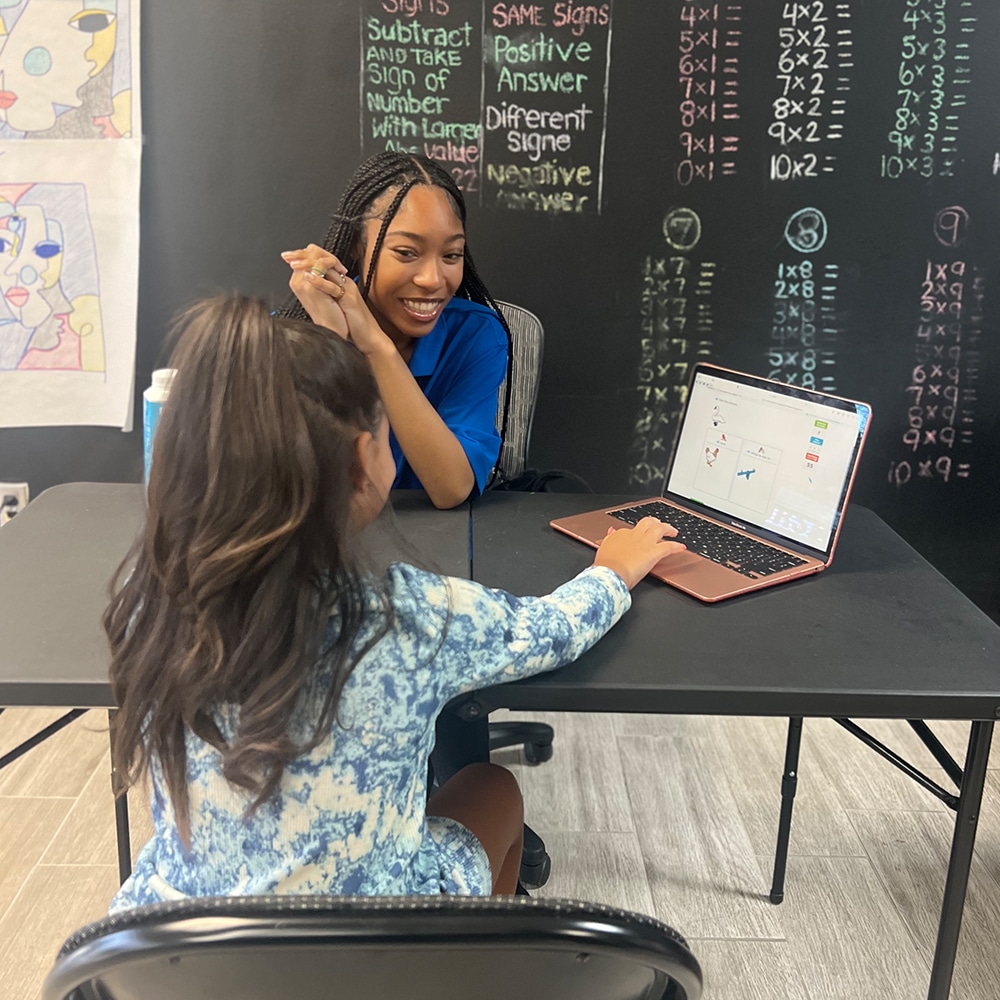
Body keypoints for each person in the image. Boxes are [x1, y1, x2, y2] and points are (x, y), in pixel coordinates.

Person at [104, 294, 684, 911]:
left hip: (182, 949)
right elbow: (553, 632)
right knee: (492, 786)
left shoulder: (149, 605)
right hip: (382, 947)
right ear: (364, 460)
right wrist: (613, 572)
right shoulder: (412, 616)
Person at [279, 152, 509, 510]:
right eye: (406, 252)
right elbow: (285, 485)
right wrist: (333, 345)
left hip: (439, 542)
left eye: (451, 256)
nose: (432, 280)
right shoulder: (295, 334)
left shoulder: (475, 337)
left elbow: (451, 488)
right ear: (358, 244)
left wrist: (375, 346)